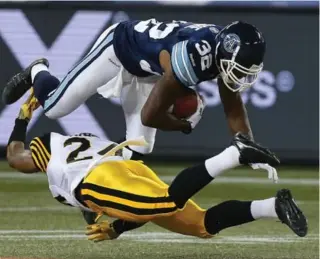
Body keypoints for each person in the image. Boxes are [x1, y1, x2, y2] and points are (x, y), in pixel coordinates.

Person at [6, 91, 308, 242]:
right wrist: (116, 229)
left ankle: (235, 153)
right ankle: (274, 206)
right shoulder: (75, 147)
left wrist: (21, 118)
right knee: (200, 225)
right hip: (125, 168)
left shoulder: (50, 150)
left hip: (98, 178)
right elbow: (138, 211)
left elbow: (16, 157)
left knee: (165, 200)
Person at [3, 19, 266, 159]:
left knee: (139, 148)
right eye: (240, 69)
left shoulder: (221, 49)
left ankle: (96, 192)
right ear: (224, 54)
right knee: (54, 107)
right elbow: (149, 116)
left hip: (149, 69)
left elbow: (233, 106)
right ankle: (38, 70)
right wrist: (182, 126)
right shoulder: (194, 57)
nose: (240, 76)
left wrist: (249, 149)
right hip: (119, 47)